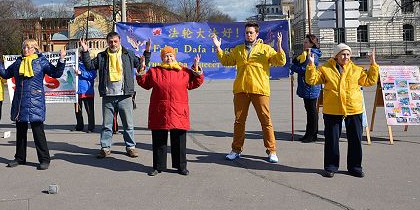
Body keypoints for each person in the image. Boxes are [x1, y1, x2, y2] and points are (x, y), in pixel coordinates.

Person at [212, 22, 286, 163]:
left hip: (260, 90)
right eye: (246, 32)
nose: (249, 35)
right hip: (241, 89)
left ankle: (272, 151)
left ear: (257, 34)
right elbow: (226, 61)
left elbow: (280, 61)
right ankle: (236, 150)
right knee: (239, 121)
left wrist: (279, 47)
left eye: (251, 32)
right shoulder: (238, 50)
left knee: (266, 121)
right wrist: (218, 48)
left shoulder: (265, 49)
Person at [305, 43, 378, 178]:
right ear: (336, 56)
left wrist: (373, 65)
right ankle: (331, 167)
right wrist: (310, 65)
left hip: (353, 109)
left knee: (355, 140)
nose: (346, 57)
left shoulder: (356, 69)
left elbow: (370, 81)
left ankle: (355, 167)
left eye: (348, 54)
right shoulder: (325, 69)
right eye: (343, 54)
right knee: (332, 140)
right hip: (333, 110)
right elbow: (312, 80)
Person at [0, 39, 66, 170]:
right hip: (20, 101)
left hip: (35, 101)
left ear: (35, 49)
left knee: (38, 132)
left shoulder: (41, 61)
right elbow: (5, 74)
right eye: (24, 47)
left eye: (29, 47)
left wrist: (61, 59)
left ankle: (44, 159)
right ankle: (20, 158)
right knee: (20, 132)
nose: (26, 49)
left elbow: (56, 73)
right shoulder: (18, 62)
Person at [80, 32, 150, 159]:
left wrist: (147, 53)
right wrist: (85, 52)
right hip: (108, 95)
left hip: (125, 95)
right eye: (110, 42)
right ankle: (105, 148)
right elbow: (90, 66)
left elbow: (141, 65)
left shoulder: (128, 54)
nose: (113, 44)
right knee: (107, 125)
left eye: (115, 41)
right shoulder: (102, 56)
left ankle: (131, 147)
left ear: (120, 41)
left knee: (128, 124)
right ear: (107, 42)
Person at [137, 46, 204, 176]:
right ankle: (158, 166)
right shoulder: (155, 71)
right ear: (162, 58)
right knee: (159, 140)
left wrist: (196, 68)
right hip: (160, 110)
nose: (169, 58)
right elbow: (144, 83)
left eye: (171, 56)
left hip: (178, 110)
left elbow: (195, 83)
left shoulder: (184, 71)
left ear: (175, 57)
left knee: (179, 139)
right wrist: (142, 68)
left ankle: (181, 166)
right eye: (166, 56)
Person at [289, 34, 322, 143]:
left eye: (306, 42)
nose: (304, 44)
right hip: (306, 85)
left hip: (311, 86)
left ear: (312, 44)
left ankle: (312, 135)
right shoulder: (305, 54)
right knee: (309, 111)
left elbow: (304, 69)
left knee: (312, 111)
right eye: (304, 42)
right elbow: (300, 63)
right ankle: (308, 133)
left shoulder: (312, 55)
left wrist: (292, 66)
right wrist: (294, 60)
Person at [72, 56, 97, 133]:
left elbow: (92, 75)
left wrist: (81, 73)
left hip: (87, 91)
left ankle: (91, 126)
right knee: (78, 110)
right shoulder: (75, 63)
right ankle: (79, 125)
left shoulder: (91, 63)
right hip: (76, 90)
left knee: (89, 111)